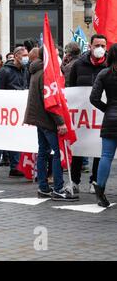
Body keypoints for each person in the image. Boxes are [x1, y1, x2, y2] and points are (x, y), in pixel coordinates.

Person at [24, 47, 78, 201]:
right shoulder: (46, 73)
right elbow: (50, 101)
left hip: (40, 118)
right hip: (47, 120)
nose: (58, 56)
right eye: (55, 54)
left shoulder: (36, 70)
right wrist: (60, 122)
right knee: (57, 152)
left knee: (43, 152)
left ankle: (43, 187)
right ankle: (59, 189)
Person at [69, 34, 108, 194]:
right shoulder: (78, 65)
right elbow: (71, 88)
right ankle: (74, 181)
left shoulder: (109, 65)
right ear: (90, 46)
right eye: (97, 45)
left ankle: (94, 181)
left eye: (103, 46)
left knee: (99, 150)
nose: (100, 48)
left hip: (101, 115)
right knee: (79, 148)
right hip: (82, 116)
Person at [0, 46, 29, 179]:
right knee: (0, 140)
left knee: (16, 139)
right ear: (16, 56)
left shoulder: (25, 70)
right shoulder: (5, 71)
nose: (26, 58)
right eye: (24, 55)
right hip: (5, 111)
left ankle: (14, 167)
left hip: (19, 111)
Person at [89, 43, 117, 207]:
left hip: (110, 118)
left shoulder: (104, 73)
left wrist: (107, 109)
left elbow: (94, 98)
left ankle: (100, 191)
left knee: (106, 156)